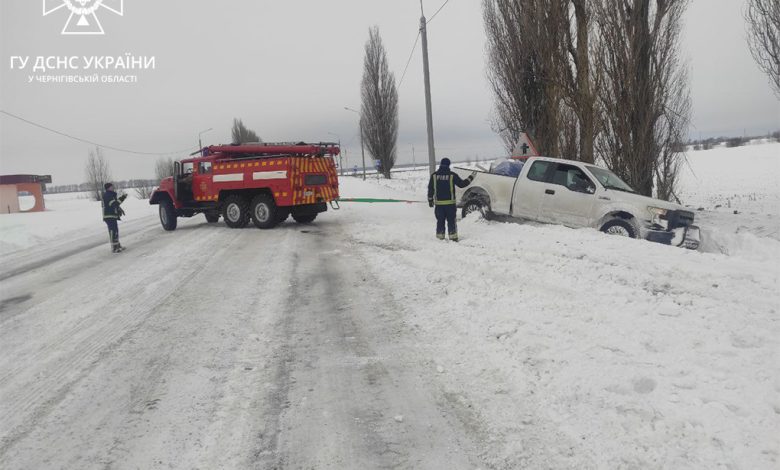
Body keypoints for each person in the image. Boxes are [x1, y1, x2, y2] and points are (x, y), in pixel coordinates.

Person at [427, 158, 475, 242]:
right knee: (451, 221)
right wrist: (471, 177)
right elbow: (462, 184)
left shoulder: (434, 176)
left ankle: (440, 238)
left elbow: (431, 189)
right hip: (450, 205)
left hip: (439, 206)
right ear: (449, 165)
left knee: (440, 222)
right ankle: (453, 238)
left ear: (440, 164)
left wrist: (430, 200)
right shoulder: (452, 175)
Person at [102, 183, 127, 253]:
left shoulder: (111, 195)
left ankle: (117, 245)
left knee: (115, 231)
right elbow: (114, 204)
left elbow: (115, 205)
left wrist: (120, 210)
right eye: (112, 186)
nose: (113, 187)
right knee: (113, 231)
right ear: (108, 188)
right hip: (108, 216)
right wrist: (122, 198)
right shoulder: (107, 195)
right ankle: (114, 247)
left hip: (112, 216)